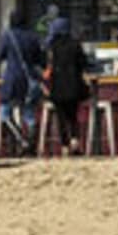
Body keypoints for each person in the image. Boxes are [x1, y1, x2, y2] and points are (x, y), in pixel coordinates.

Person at [0, 9, 44, 158]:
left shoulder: (7, 36)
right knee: (29, 113)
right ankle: (32, 143)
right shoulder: (33, 37)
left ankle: (22, 140)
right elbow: (40, 60)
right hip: (30, 80)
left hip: (12, 78)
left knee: (5, 113)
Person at [41, 12, 91, 157]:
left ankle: (64, 145)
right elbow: (84, 64)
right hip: (74, 86)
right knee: (73, 115)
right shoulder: (76, 44)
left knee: (61, 116)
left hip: (57, 87)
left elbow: (46, 67)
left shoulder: (51, 46)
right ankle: (75, 141)